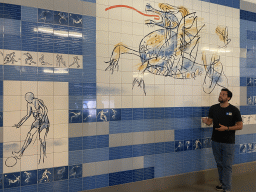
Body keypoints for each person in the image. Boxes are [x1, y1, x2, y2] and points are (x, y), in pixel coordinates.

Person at [202, 88, 243, 192]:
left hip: (228, 142)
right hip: (215, 141)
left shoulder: (234, 110)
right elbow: (210, 122)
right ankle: (222, 183)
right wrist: (206, 121)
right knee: (219, 164)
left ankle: (227, 189)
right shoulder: (213, 108)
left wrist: (227, 128)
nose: (221, 95)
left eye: (223, 94)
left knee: (227, 166)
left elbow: (240, 126)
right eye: (220, 94)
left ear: (228, 98)